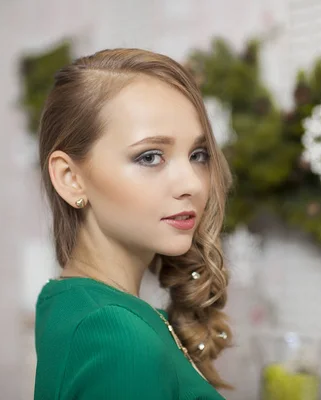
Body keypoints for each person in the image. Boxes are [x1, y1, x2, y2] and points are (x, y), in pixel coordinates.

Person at [33, 48, 233, 399]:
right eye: (150, 156)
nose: (192, 184)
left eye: (198, 155)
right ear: (70, 178)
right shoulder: (116, 334)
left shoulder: (74, 303)